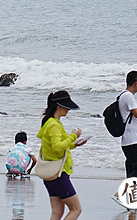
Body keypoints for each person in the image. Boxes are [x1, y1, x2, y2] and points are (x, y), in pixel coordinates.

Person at [37, 90, 86, 220]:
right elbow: (58, 147)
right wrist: (73, 135)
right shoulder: (54, 125)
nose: (68, 110)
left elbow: (58, 146)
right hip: (59, 174)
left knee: (57, 213)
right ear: (59, 106)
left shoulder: (49, 123)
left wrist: (74, 144)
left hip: (50, 175)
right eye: (67, 107)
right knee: (76, 209)